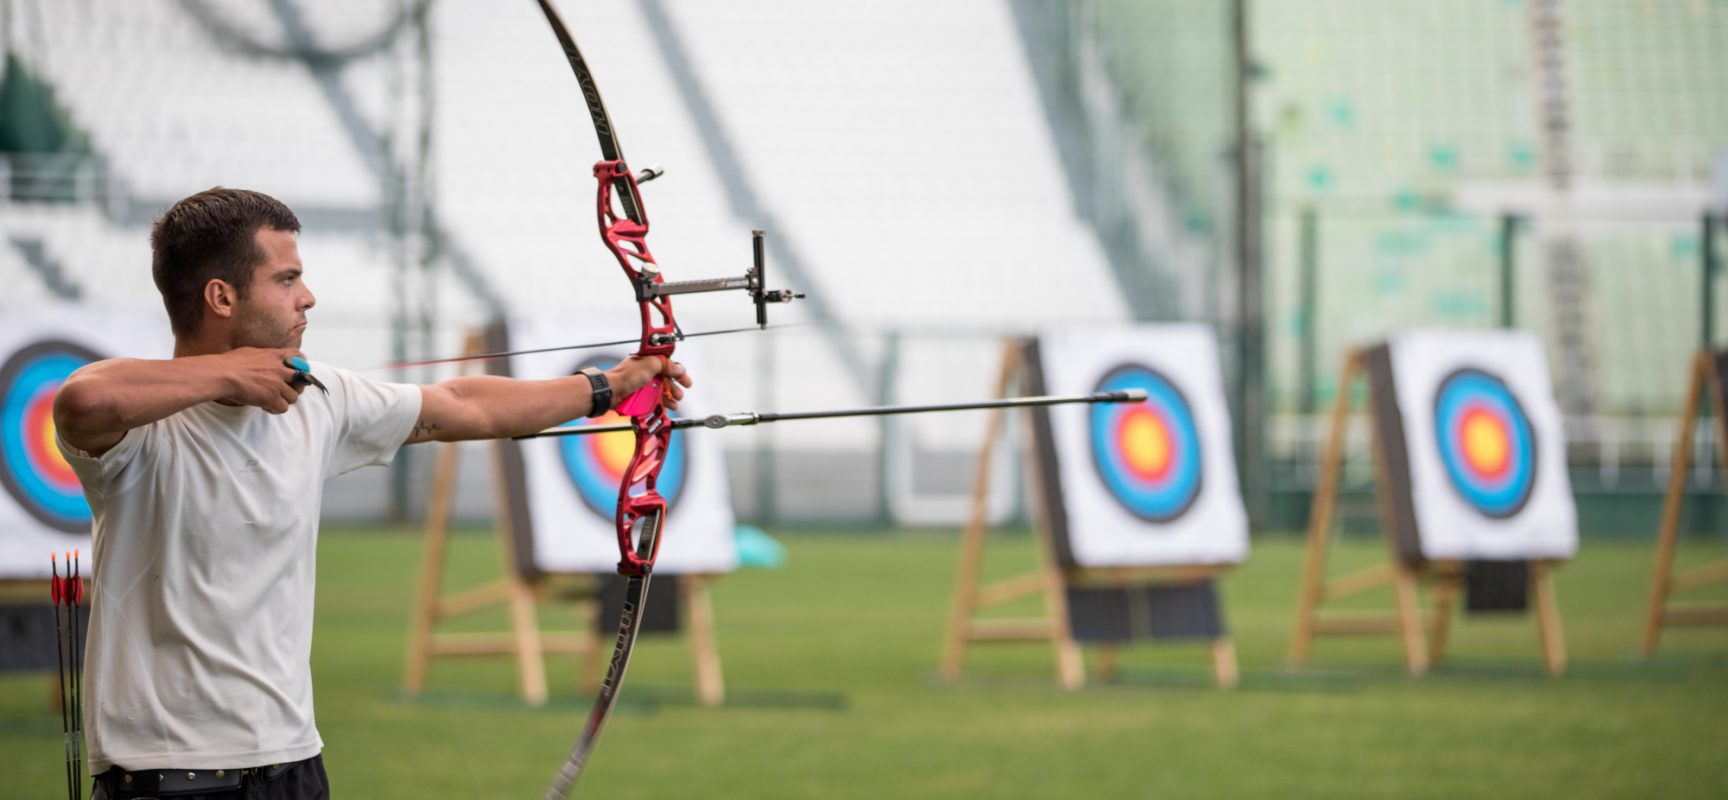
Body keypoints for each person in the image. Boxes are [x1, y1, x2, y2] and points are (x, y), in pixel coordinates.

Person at [52, 186, 689, 799]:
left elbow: (463, 404)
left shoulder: (315, 399)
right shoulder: (139, 432)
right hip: (168, 774)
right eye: (285, 279)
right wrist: (226, 373)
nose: (308, 298)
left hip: (291, 761)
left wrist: (608, 387)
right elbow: (84, 399)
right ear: (221, 296)